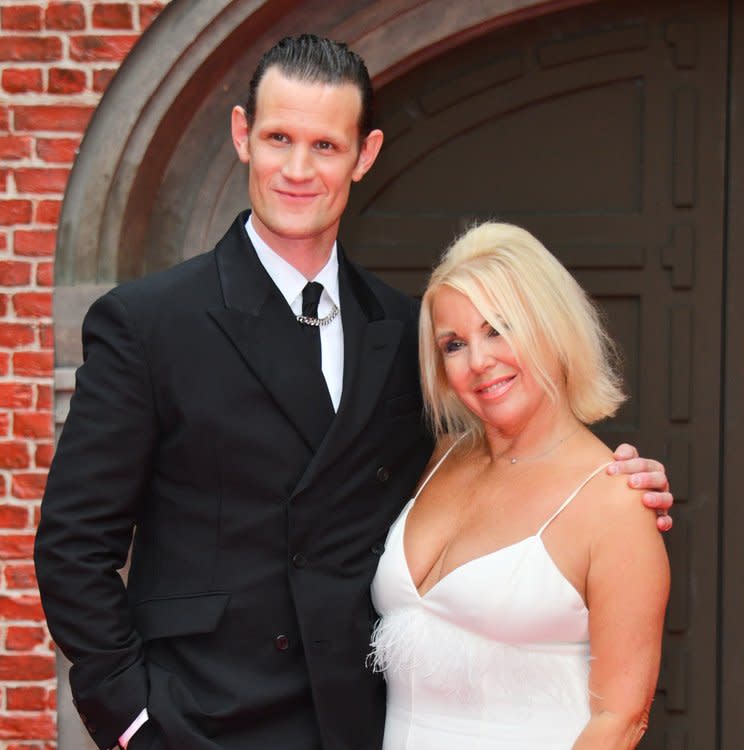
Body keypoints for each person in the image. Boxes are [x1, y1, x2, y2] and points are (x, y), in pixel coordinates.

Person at [34, 35, 673, 750]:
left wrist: (617, 488)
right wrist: (133, 720)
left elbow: (506, 459)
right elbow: (72, 545)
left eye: (326, 146)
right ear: (243, 136)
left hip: (361, 724)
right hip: (198, 725)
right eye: (279, 138)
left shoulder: (407, 333)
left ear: (364, 155)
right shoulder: (150, 324)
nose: (298, 170)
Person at [369, 222, 670, 749]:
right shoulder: (433, 460)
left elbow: (621, 719)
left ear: (551, 328)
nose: (480, 361)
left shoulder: (615, 502)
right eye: (454, 343)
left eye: (499, 328)